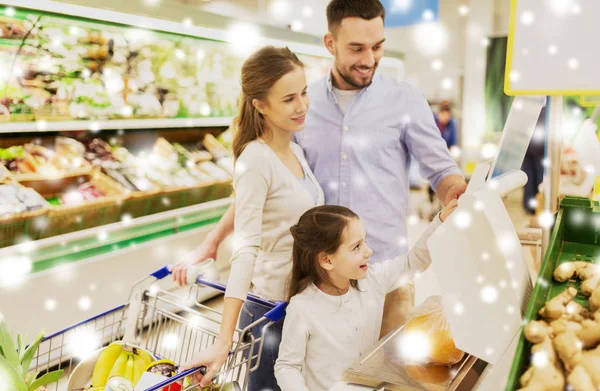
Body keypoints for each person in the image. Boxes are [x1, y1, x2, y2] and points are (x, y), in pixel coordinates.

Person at [174, 0, 467, 373]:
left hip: (383, 279)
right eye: (356, 48)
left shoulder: (403, 100)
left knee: (390, 377)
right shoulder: (298, 108)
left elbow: (442, 171)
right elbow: (264, 190)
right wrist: (212, 242)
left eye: (377, 46)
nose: (369, 58)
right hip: (314, 289)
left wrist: (456, 192)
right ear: (330, 43)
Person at [179, 46, 324, 390]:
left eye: (304, 93)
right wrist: (223, 340)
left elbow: (251, 205)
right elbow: (246, 250)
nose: (302, 105)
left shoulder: (295, 151)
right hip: (270, 314)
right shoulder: (256, 159)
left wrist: (209, 242)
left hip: (299, 305)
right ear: (260, 104)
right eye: (289, 98)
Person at [275, 201, 458, 390]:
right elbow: (287, 366)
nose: (368, 251)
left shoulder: (372, 280)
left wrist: (441, 221)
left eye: (365, 241)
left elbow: (413, 262)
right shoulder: (303, 307)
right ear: (327, 260)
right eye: (356, 247)